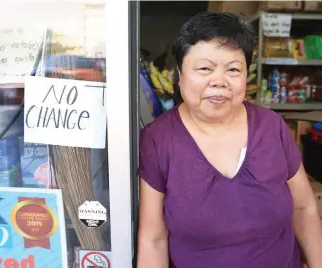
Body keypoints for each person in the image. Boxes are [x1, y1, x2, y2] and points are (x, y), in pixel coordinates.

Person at [137, 12, 322, 268]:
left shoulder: (271, 126)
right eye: (204, 68)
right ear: (180, 74)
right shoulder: (158, 139)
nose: (219, 81)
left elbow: (304, 208)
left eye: (233, 69)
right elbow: (153, 239)